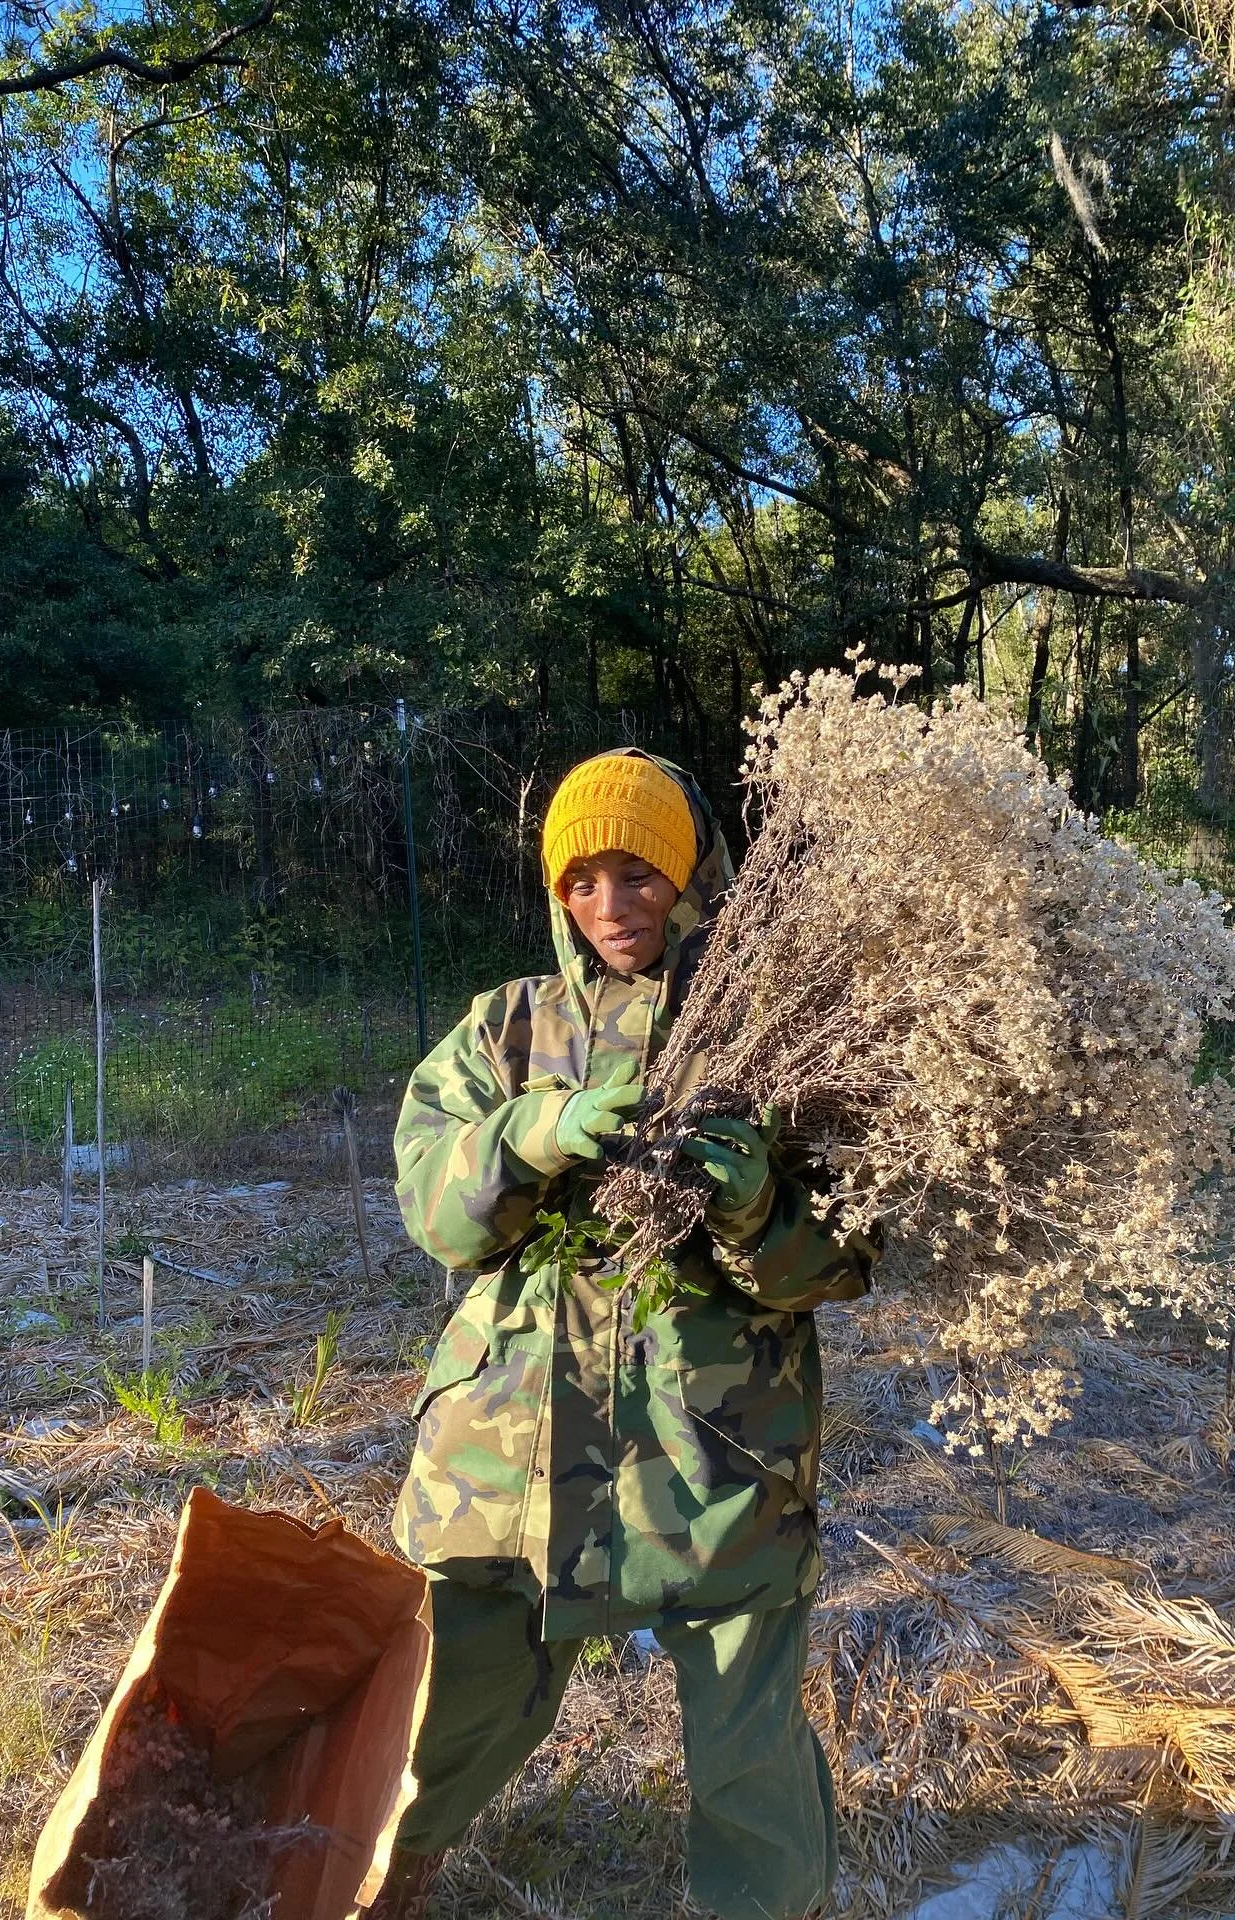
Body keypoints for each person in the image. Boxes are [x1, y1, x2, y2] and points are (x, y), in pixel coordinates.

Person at [374, 749, 870, 1920]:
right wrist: (530, 1134)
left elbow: (844, 1259)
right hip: (508, 1453)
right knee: (442, 1702)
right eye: (582, 880)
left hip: (715, 1456)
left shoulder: (780, 1035)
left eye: (639, 874)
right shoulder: (504, 1028)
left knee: (748, 1747)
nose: (611, 906)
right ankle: (367, 1876)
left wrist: (760, 1206)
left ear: (693, 875)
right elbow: (433, 1212)